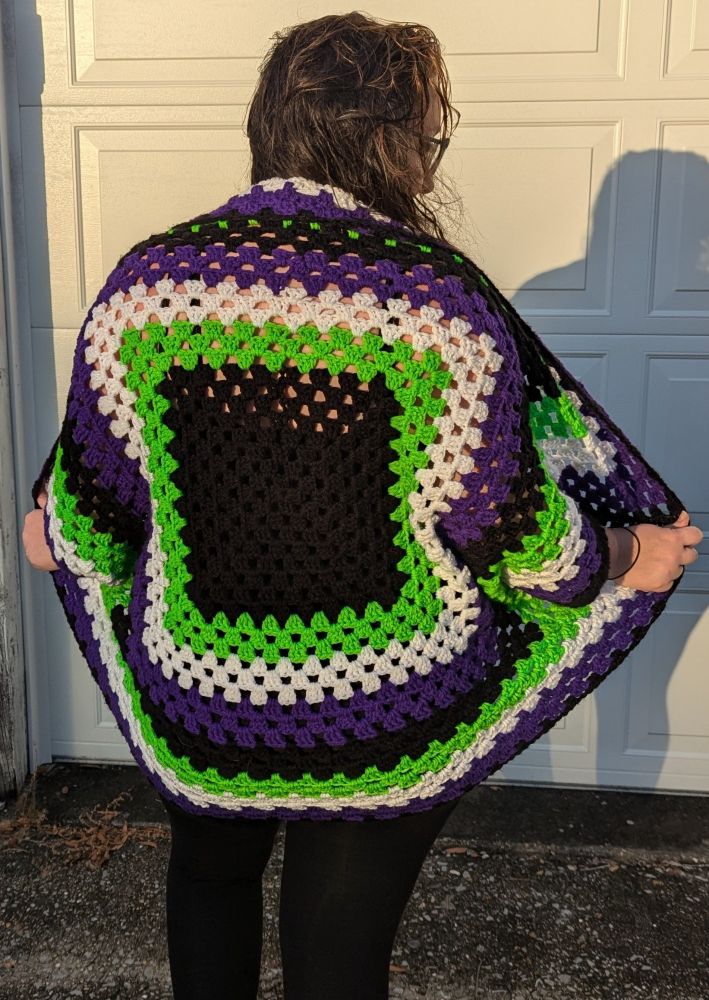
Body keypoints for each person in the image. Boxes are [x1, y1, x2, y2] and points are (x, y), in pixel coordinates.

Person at [22, 11, 701, 1000]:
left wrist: (52, 533)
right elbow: (518, 539)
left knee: (208, 879)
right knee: (336, 952)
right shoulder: (435, 304)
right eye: (429, 136)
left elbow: (86, 521)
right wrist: (626, 551)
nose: (430, 161)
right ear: (387, 143)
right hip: (384, 702)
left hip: (206, 693)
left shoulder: (146, 290)